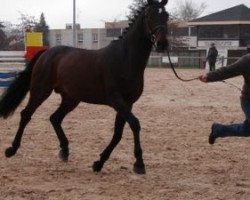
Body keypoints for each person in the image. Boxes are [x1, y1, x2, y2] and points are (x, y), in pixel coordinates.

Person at [199, 53, 250, 144]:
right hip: (248, 101)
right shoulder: (247, 61)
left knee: (247, 130)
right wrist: (209, 76)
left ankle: (219, 130)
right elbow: (228, 71)